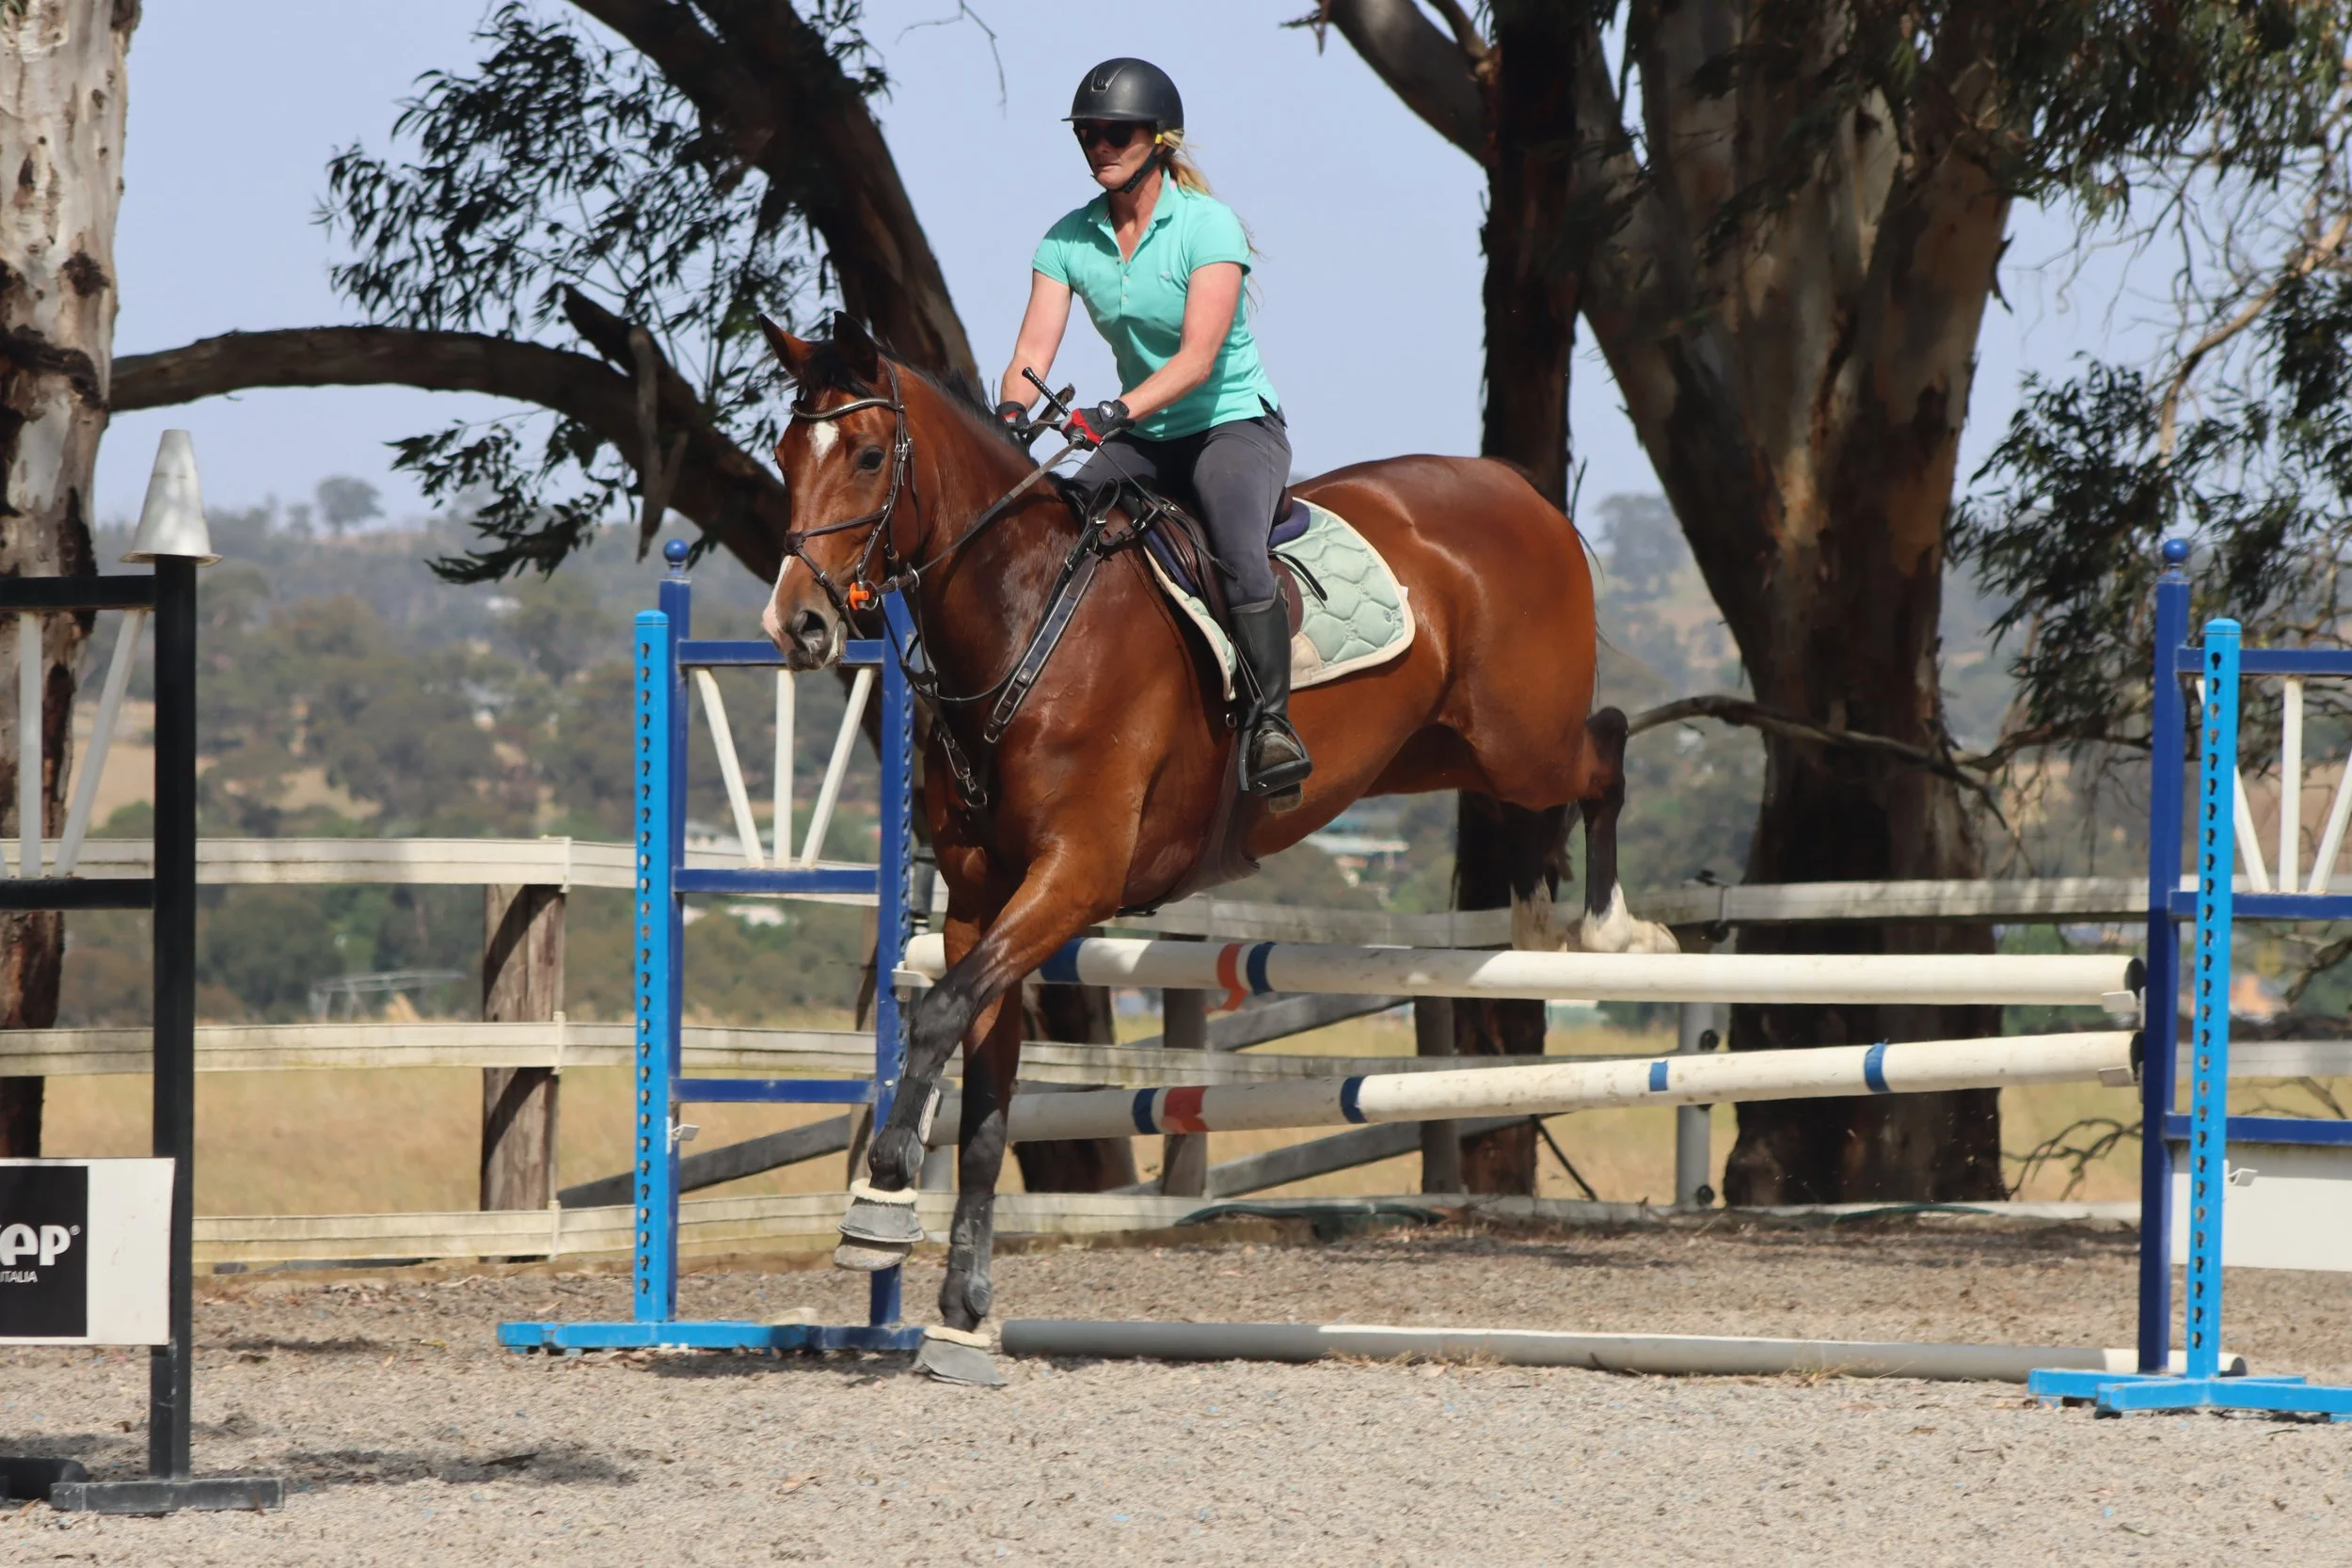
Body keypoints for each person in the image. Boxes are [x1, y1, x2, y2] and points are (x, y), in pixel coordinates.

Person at [995, 56, 1311, 805]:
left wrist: (1116, 412)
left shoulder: (1209, 226)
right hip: (1141, 432)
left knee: (1237, 550)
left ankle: (1273, 726)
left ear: (1159, 139)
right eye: (1089, 135)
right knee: (1055, 533)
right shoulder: (1066, 241)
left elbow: (1199, 360)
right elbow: (1027, 356)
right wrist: (1008, 418)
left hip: (1230, 425)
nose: (1100, 144)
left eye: (1116, 132)